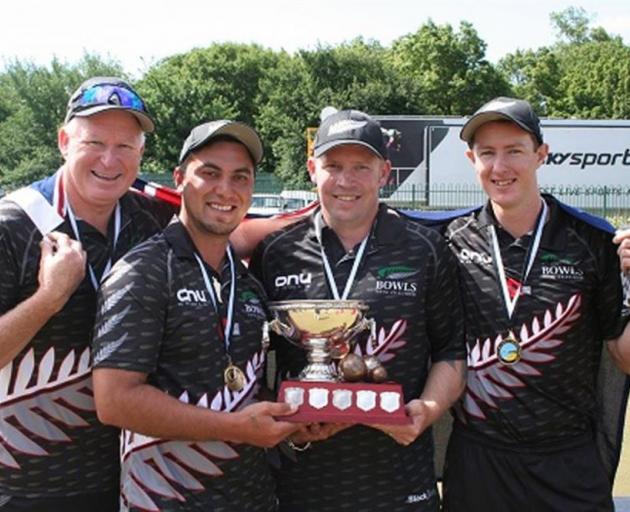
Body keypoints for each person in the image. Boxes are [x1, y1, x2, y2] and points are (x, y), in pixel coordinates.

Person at [249, 109, 467, 512]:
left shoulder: (425, 250)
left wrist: (430, 409)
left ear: (384, 172)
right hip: (303, 480)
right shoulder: (277, 252)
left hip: (401, 479)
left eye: (361, 167)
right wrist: (286, 424)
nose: (346, 181)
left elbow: (451, 352)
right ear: (312, 169)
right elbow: (253, 364)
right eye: (333, 166)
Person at [91, 120, 301, 511]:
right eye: (210, 173)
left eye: (240, 177)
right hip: (162, 502)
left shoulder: (247, 281)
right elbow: (114, 400)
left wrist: (297, 415)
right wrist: (236, 428)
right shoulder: (144, 270)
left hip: (253, 499)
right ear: (179, 179)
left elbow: (244, 389)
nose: (226, 189)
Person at [438, 97, 630, 512]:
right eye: (487, 153)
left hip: (567, 461)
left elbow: (625, 357)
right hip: (478, 460)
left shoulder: (593, 241)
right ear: (472, 159)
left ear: (541, 155)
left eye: (514, 151)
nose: (500, 167)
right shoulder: (449, 239)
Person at [0, 77, 174, 511]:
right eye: (93, 142)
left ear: (141, 153)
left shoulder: (149, 218)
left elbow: (228, 227)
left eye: (125, 147)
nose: (109, 160)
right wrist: (49, 299)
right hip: (27, 480)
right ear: (63, 141)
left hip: (132, 471)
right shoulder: (12, 226)